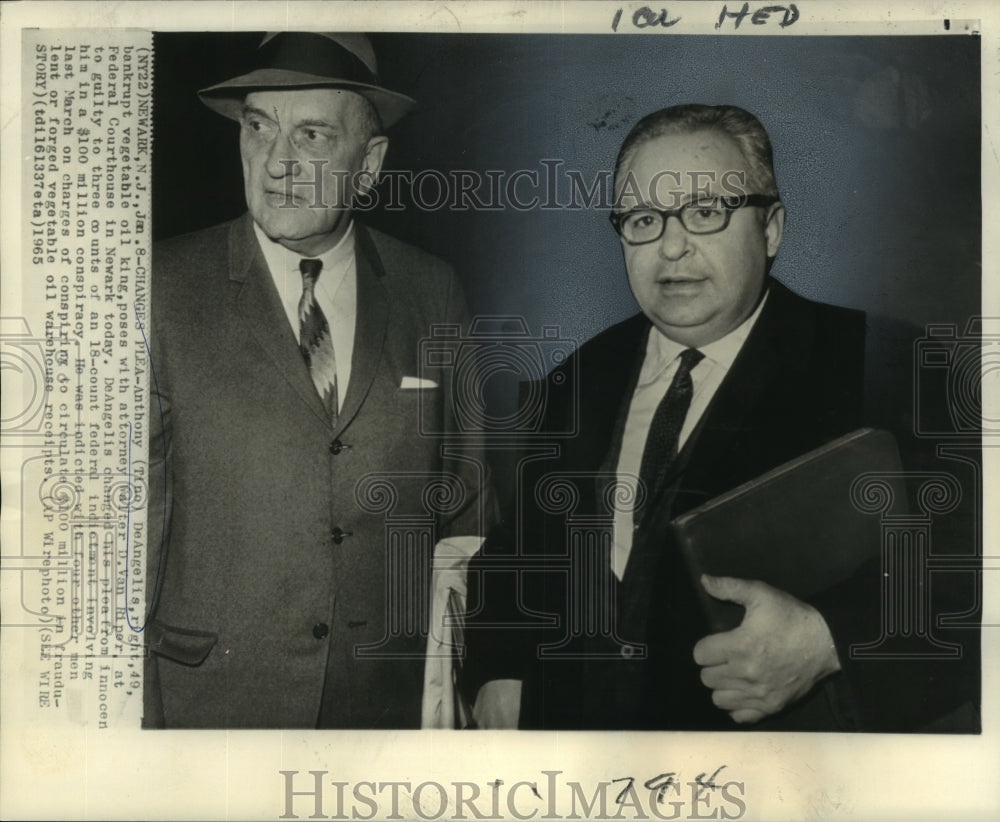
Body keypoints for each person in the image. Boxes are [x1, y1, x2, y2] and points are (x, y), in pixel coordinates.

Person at [464, 103, 978, 732]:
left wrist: (828, 638)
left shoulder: (891, 366)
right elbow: (518, 552)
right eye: (645, 219)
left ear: (771, 230)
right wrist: (500, 668)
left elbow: (972, 572)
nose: (672, 246)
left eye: (706, 211)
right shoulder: (576, 380)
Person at [144, 32, 493, 729]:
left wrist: (456, 679)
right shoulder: (158, 287)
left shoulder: (432, 292)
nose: (276, 164)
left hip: (381, 714)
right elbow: (121, 533)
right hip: (206, 711)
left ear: (369, 164)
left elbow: (466, 509)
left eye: (311, 134)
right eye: (258, 127)